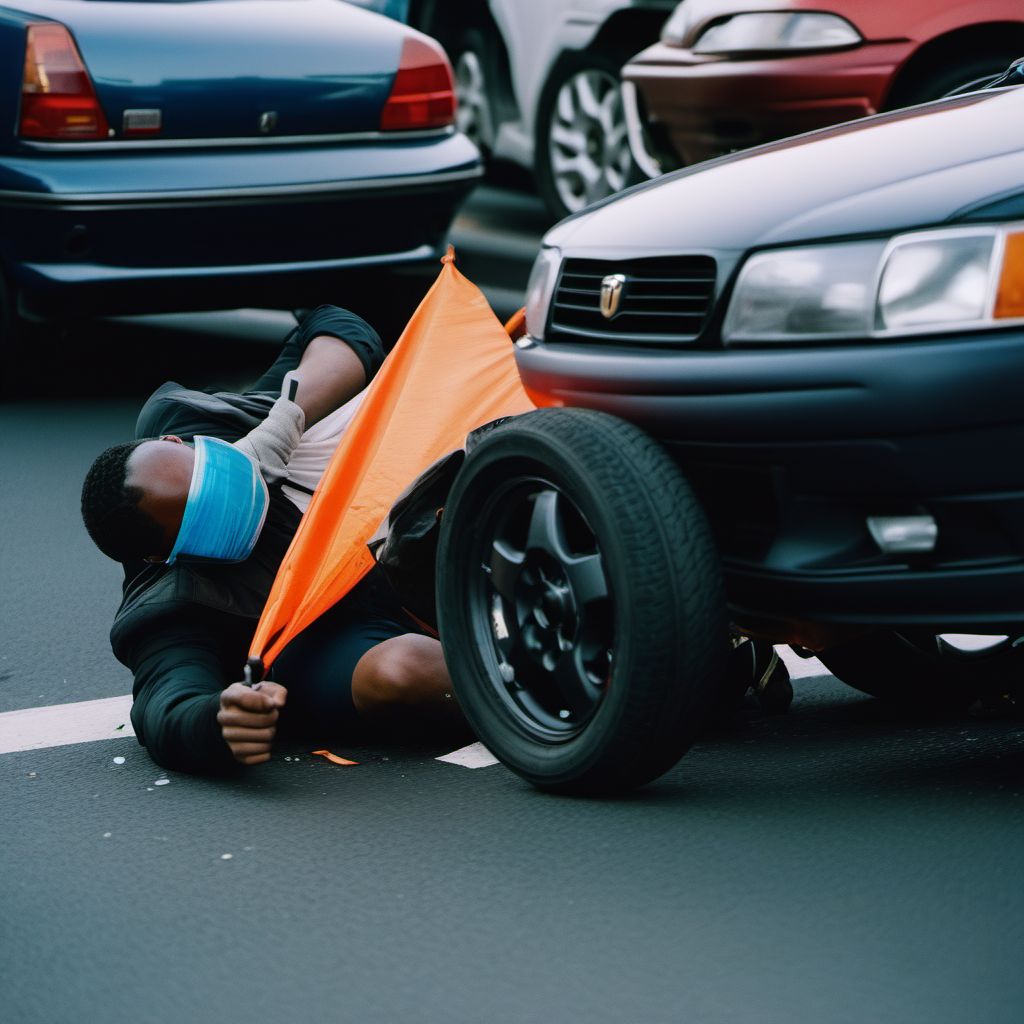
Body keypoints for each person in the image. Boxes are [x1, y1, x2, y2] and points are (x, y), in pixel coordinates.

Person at [81, 306, 464, 776]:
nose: (231, 495)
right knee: (403, 670)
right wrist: (221, 721)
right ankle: (545, 687)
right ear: (161, 556)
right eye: (206, 513)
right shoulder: (167, 607)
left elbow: (337, 327)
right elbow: (166, 707)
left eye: (211, 472)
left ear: (180, 442)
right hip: (339, 633)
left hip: (436, 508)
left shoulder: (206, 420)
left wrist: (287, 418)